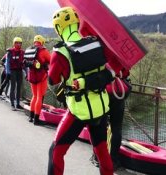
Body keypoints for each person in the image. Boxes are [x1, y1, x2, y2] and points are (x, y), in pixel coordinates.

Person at [47, 7, 115, 175]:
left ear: (58, 28)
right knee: (101, 151)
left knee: (56, 151)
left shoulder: (60, 52)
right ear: (77, 23)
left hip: (78, 111)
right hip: (101, 108)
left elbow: (52, 80)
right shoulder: (95, 42)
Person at [90, 68, 131, 170]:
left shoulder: (100, 55)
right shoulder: (122, 58)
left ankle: (98, 157)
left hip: (103, 92)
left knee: (100, 127)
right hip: (119, 93)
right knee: (116, 129)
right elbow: (126, 73)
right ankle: (113, 160)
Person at [23, 35, 51, 125]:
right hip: (41, 76)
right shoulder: (43, 51)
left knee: (34, 96)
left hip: (31, 76)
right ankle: (36, 119)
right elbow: (51, 60)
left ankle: (31, 117)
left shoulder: (28, 50)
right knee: (39, 97)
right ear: (42, 42)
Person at [5, 37, 26, 111]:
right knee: (13, 87)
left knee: (19, 88)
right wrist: (8, 73)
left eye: (20, 43)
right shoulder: (10, 52)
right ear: (14, 43)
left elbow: (24, 63)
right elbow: (7, 63)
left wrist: (26, 73)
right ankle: (12, 104)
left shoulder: (22, 52)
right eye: (17, 43)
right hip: (12, 71)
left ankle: (17, 104)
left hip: (19, 71)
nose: (18, 44)